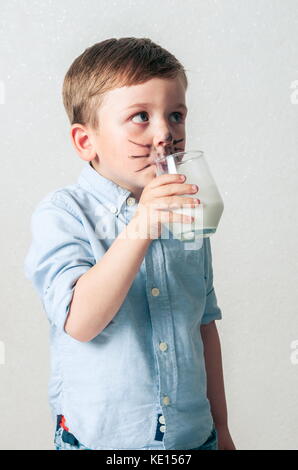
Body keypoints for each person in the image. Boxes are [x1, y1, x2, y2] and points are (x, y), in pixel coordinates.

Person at [24, 37, 236, 451]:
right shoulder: (64, 214)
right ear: (87, 142)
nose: (165, 134)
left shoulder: (186, 213)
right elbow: (80, 323)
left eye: (176, 115)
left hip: (194, 438)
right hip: (102, 440)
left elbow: (204, 325)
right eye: (141, 116)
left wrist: (222, 429)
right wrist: (143, 224)